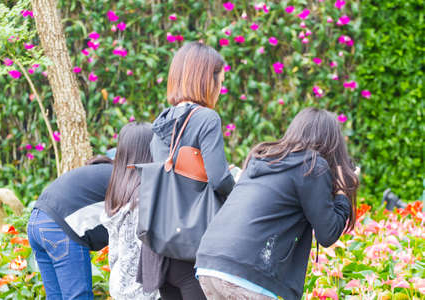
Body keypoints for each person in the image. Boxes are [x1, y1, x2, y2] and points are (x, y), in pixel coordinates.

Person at [195, 107, 359, 300]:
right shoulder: (312, 165)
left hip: (209, 263)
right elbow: (328, 233)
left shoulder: (264, 157)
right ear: (332, 144)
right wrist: (342, 192)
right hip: (245, 273)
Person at [142, 42, 235, 300]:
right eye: (220, 81)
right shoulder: (206, 118)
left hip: (162, 248)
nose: (220, 89)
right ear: (206, 80)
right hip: (193, 246)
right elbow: (219, 180)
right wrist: (239, 193)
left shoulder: (162, 121)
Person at [27, 155, 113, 299]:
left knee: (55, 297)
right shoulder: (123, 179)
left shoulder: (99, 173)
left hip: (35, 222)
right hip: (59, 226)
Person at [100, 122, 159, 300]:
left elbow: (114, 252)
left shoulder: (118, 192)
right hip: (142, 291)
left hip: (119, 286)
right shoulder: (143, 197)